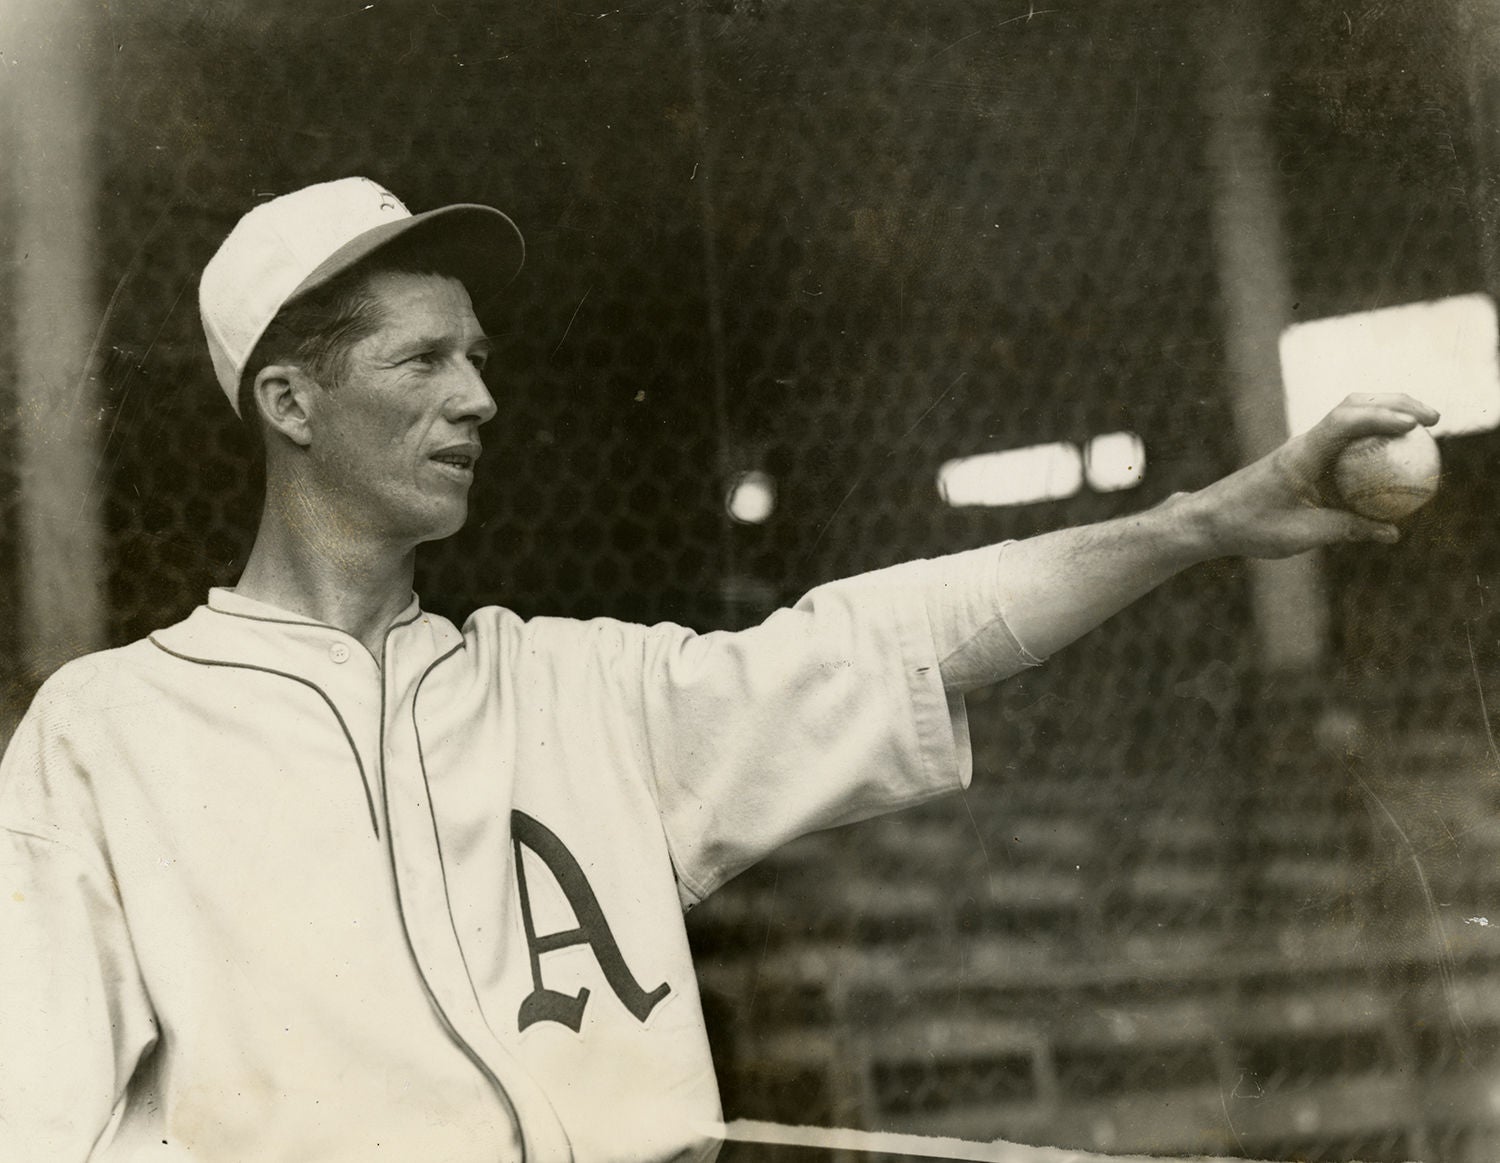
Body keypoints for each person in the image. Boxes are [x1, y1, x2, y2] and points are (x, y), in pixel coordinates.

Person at [0, 177, 1438, 1163]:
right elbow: (42, 1127)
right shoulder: (108, 735)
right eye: (425, 359)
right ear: (288, 398)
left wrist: (1208, 521)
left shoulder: (576, 691)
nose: (481, 395)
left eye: (481, 355)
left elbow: (892, 635)